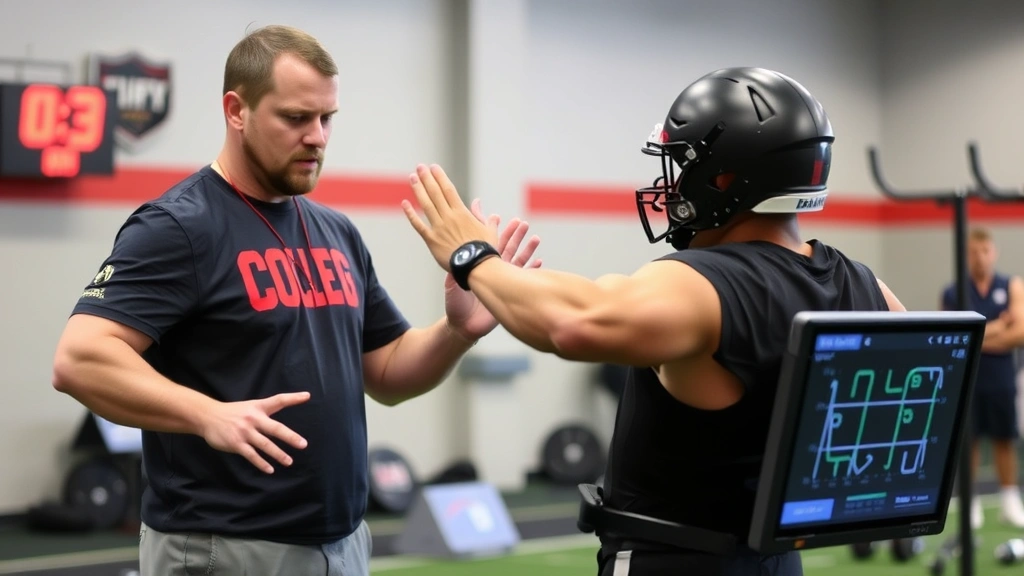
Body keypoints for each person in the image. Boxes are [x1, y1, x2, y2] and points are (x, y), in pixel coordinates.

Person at [50, 25, 541, 576]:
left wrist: (457, 332)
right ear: (236, 110)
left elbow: (387, 372)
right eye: (295, 118)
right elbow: (80, 358)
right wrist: (206, 414)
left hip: (341, 543)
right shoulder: (180, 227)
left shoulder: (335, 231)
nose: (318, 137)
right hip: (224, 548)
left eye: (327, 118)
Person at [401, 67, 906, 576]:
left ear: (724, 177)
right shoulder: (868, 290)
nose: (671, 183)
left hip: (674, 561)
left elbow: (576, 322)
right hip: (773, 562)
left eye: (682, 164)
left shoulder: (703, 283)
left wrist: (474, 258)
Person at [941, 227, 1024, 529]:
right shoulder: (954, 291)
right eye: (974, 252)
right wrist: (1000, 326)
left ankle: (1010, 500)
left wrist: (978, 335)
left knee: (1005, 438)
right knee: (969, 441)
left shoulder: (1012, 285)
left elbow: (1020, 334)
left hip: (1001, 376)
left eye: (985, 251)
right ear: (967, 255)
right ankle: (970, 502)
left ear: (994, 252)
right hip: (969, 377)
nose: (980, 257)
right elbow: (953, 338)